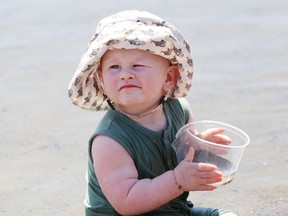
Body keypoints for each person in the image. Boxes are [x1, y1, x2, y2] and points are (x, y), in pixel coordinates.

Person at [68, 10, 237, 216]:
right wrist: (177, 180)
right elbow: (127, 202)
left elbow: (186, 154)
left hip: (174, 210)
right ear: (101, 81)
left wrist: (201, 146)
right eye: (114, 67)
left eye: (137, 65)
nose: (125, 74)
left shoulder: (179, 109)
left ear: (169, 78)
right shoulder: (109, 140)